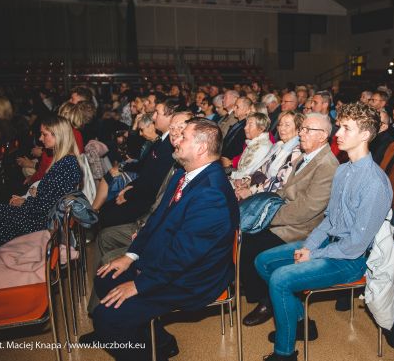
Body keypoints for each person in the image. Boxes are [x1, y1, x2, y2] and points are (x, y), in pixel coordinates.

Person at [82, 118, 239, 361]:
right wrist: (130, 256)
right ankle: (159, 342)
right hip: (171, 261)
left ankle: (124, 337)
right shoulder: (183, 174)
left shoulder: (211, 193)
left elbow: (184, 256)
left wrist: (139, 284)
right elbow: (156, 220)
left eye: (183, 137)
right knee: (105, 278)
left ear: (200, 148)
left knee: (107, 318)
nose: (175, 140)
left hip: (194, 278)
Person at [254, 103, 394, 361]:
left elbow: (355, 245)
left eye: (346, 128)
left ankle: (285, 354)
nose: (337, 134)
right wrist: (309, 246)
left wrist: (316, 252)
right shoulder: (343, 170)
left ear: (365, 135)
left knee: (280, 279)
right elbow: (329, 220)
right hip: (330, 247)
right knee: (263, 261)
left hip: (351, 260)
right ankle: (298, 321)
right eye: (339, 126)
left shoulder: (375, 183)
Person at [240, 113, 338, 327]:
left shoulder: (328, 165)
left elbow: (308, 209)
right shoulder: (305, 156)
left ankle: (268, 299)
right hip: (288, 217)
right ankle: (264, 292)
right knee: (245, 236)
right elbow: (285, 191)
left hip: (304, 229)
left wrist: (269, 218)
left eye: (306, 130)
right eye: (301, 128)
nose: (300, 133)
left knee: (252, 246)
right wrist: (266, 207)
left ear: (322, 136)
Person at [0, 115, 82, 260]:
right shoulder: (66, 161)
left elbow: (46, 208)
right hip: (44, 217)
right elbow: (52, 198)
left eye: (44, 134)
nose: (40, 138)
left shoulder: (65, 165)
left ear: (58, 136)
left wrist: (24, 202)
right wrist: (32, 197)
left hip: (42, 224)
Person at [97, 99, 180, 228]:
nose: (153, 116)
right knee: (105, 211)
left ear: (170, 117)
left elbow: (153, 184)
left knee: (105, 217)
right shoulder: (161, 142)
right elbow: (144, 169)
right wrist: (129, 187)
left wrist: (128, 194)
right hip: (139, 191)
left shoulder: (170, 146)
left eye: (157, 113)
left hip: (146, 202)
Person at [235, 111, 303, 199]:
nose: (281, 128)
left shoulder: (296, 152)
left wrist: (250, 191)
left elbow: (278, 182)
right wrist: (245, 182)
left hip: (270, 197)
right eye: (280, 124)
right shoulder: (278, 145)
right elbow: (261, 167)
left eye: (287, 125)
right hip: (259, 188)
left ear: (298, 130)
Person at [230, 113, 273, 181]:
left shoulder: (264, 147)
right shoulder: (252, 142)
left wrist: (231, 175)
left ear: (261, 128)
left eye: (250, 125)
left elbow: (249, 173)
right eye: (246, 124)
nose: (245, 128)